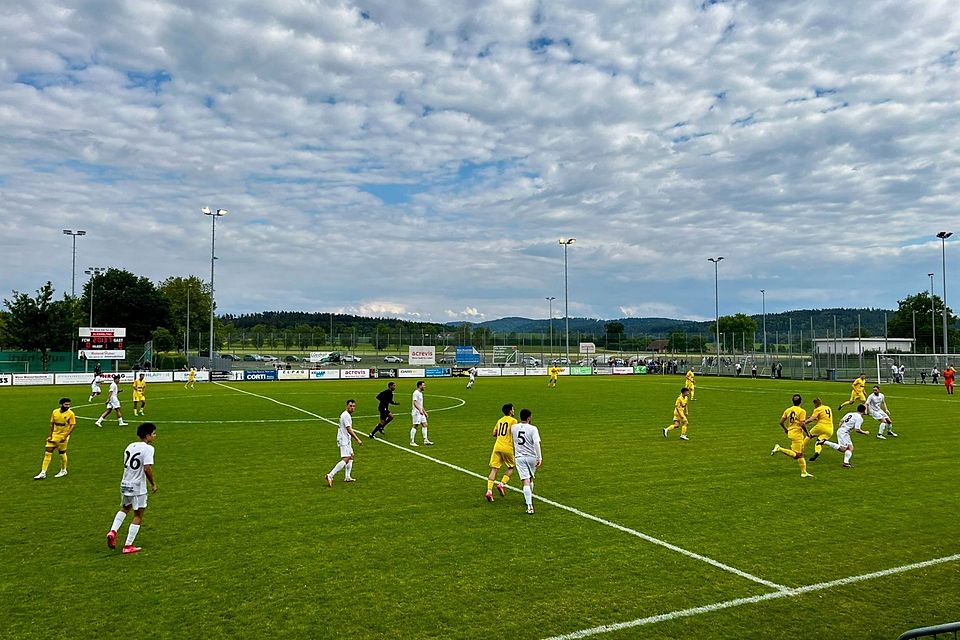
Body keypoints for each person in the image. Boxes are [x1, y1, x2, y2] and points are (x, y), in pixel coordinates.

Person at [106, 422, 158, 554]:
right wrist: (153, 483)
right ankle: (128, 545)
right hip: (138, 486)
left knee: (125, 508)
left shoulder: (130, 446)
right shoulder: (148, 449)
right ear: (147, 435)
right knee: (138, 515)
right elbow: (147, 468)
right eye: (153, 433)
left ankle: (113, 531)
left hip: (125, 483)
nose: (155, 436)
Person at [771, 394, 813, 478]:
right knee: (798, 455)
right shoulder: (802, 411)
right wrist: (807, 433)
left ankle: (804, 472)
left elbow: (781, 422)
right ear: (801, 402)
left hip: (790, 432)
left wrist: (785, 429)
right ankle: (779, 448)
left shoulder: (788, 410)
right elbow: (802, 424)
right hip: (797, 434)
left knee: (800, 454)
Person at [34, 397, 76, 480]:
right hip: (54, 435)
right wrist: (50, 435)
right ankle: (43, 472)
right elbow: (52, 424)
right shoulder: (55, 412)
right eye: (66, 404)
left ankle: (63, 470)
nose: (68, 406)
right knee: (47, 452)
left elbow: (72, 426)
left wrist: (65, 436)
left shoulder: (71, 414)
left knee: (62, 453)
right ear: (61, 404)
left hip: (63, 436)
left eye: (69, 404)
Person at [511, 408, 542, 515]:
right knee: (530, 479)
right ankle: (529, 501)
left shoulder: (514, 427)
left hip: (519, 457)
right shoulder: (533, 429)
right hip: (531, 457)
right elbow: (536, 443)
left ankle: (529, 505)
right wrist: (539, 457)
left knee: (526, 480)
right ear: (529, 417)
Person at [326, 399, 363, 486]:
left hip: (346, 438)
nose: (352, 408)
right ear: (347, 406)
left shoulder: (346, 415)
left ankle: (347, 477)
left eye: (353, 406)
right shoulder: (346, 415)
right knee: (346, 458)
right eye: (350, 406)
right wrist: (357, 439)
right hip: (344, 439)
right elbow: (349, 429)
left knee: (351, 456)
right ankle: (330, 475)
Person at [485, 403, 517, 502]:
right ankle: (501, 484)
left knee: (494, 469)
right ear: (510, 411)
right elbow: (515, 433)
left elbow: (494, 433)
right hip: (507, 447)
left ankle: (489, 491)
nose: (514, 411)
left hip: (497, 446)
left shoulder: (500, 420)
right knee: (511, 467)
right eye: (513, 409)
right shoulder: (513, 421)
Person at [410, 380, 432, 446]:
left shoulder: (420, 393)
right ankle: (412, 441)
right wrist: (419, 410)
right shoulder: (416, 393)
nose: (424, 386)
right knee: (415, 426)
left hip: (421, 412)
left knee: (425, 424)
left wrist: (424, 412)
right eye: (423, 385)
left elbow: (420, 404)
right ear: (420, 386)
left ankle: (425, 440)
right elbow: (415, 402)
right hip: (416, 413)